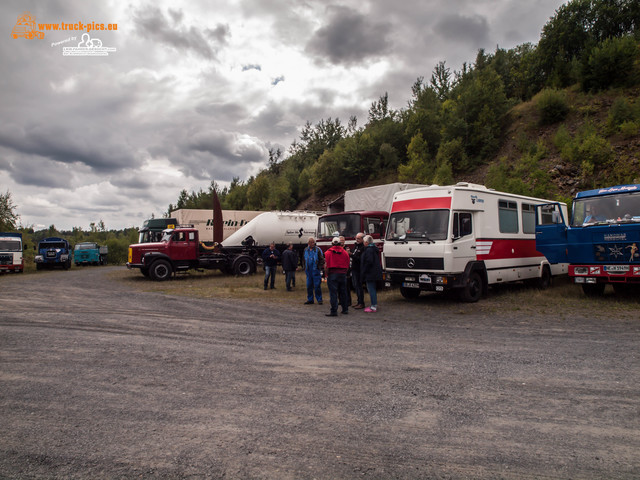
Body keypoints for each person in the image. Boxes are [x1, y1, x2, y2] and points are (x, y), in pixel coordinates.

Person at [324, 237, 349, 316]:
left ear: (332, 243)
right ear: (340, 243)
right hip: (342, 274)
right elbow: (347, 265)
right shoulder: (345, 253)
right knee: (343, 292)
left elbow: (326, 266)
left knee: (333, 293)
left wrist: (326, 274)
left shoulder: (328, 253)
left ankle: (334, 311)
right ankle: (345, 309)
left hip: (332, 274)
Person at [361, 235, 383, 313]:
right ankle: (374, 304)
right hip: (374, 272)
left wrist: (364, 271)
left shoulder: (369, 250)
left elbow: (369, 261)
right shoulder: (374, 249)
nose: (363, 243)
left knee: (371, 289)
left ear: (366, 242)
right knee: (372, 288)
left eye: (364, 242)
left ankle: (373, 306)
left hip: (370, 273)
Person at [303, 237, 324, 305]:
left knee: (317, 285)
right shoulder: (306, 250)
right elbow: (304, 259)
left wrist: (319, 267)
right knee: (309, 285)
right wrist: (304, 267)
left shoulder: (318, 250)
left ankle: (319, 299)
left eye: (313, 242)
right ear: (308, 243)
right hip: (308, 270)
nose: (312, 243)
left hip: (315, 270)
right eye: (311, 242)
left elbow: (322, 260)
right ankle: (310, 299)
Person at [350, 232, 366, 309]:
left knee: (359, 286)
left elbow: (360, 259)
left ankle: (361, 302)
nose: (357, 240)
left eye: (359, 238)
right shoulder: (355, 246)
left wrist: (351, 255)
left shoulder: (363, 248)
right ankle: (358, 301)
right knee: (355, 285)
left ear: (363, 239)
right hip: (353, 268)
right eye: (356, 238)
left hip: (358, 269)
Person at [339, 236, 352, 307]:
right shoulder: (336, 248)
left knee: (347, 286)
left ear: (344, 241)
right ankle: (340, 300)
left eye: (342, 240)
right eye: (340, 240)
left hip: (346, 268)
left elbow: (347, 255)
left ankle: (348, 301)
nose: (341, 241)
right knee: (339, 286)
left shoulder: (347, 248)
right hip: (339, 268)